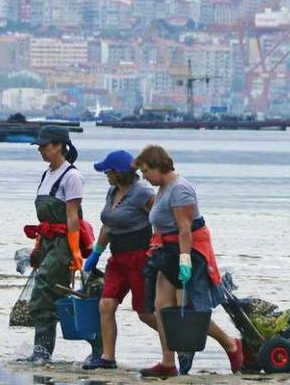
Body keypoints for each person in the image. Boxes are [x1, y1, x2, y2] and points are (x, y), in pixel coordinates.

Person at [133, 145, 243, 377]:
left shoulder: (180, 189)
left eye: (145, 171)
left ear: (158, 166)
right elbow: (161, 224)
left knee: (191, 310)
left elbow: (185, 229)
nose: (144, 177)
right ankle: (167, 362)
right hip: (166, 250)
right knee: (160, 306)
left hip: (189, 250)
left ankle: (231, 344)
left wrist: (184, 260)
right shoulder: (162, 188)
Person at [23, 125, 102, 363]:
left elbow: (72, 219)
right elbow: (45, 220)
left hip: (64, 244)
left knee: (43, 291)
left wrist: (76, 254)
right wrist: (37, 249)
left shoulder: (72, 176)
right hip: (47, 242)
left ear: (59, 146)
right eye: (39, 146)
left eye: (44, 146)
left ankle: (43, 352)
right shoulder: (47, 175)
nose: (40, 150)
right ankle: (47, 350)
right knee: (56, 298)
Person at [81, 150, 158, 370]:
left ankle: (176, 345)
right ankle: (107, 357)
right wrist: (96, 253)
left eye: (108, 170)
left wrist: (159, 250)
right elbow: (108, 224)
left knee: (145, 313)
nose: (105, 174)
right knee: (106, 305)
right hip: (117, 258)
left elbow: (161, 219)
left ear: (119, 172)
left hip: (140, 258)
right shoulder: (112, 191)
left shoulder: (143, 193)